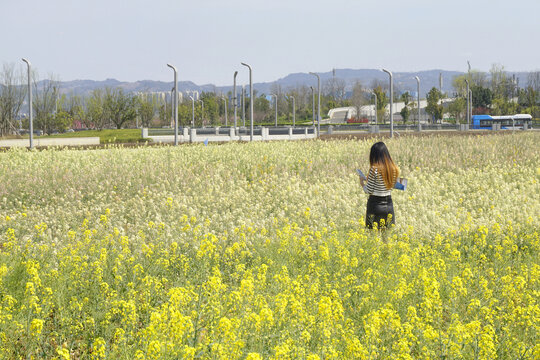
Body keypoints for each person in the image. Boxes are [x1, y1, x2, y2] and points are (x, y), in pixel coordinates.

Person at [359, 141, 399, 230]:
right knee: (386, 239)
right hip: (389, 205)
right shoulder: (393, 169)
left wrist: (362, 183)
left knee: (373, 237)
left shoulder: (374, 169)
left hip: (375, 205)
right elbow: (389, 185)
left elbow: (369, 190)